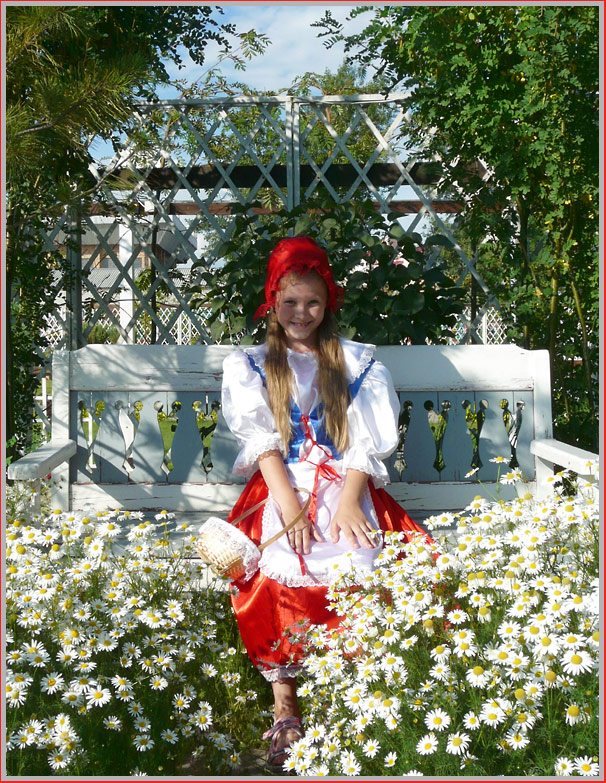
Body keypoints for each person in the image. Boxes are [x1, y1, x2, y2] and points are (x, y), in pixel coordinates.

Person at [220, 235, 432, 768]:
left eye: (312, 302)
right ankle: (285, 701)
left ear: (328, 301)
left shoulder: (356, 363)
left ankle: (355, 689)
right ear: (271, 302)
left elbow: (365, 446)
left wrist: (346, 503)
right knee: (275, 563)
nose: (301, 313)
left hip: (346, 483)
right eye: (289, 302)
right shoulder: (250, 364)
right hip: (281, 484)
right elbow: (263, 444)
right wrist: (289, 505)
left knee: (358, 552)